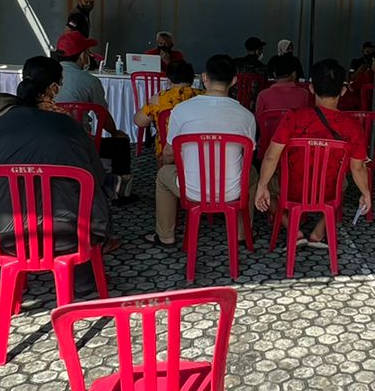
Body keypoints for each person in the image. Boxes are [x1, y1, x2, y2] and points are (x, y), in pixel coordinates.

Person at [0, 56, 113, 286]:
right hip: (72, 237)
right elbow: (97, 177)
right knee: (95, 192)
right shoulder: (68, 126)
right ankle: (82, 278)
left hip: (7, 240)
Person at [254, 58, 372, 248]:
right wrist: (366, 193)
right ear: (343, 90)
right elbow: (358, 168)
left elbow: (271, 156)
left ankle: (294, 230)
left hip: (290, 189)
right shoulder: (352, 126)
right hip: (328, 191)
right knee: (342, 185)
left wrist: (262, 185)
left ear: (311, 88)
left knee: (268, 192)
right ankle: (318, 232)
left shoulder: (293, 118)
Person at [147, 54, 256, 247]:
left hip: (191, 190)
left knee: (163, 175)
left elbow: (169, 154)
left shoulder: (181, 110)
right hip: (232, 191)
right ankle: (241, 232)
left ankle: (165, 236)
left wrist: (184, 166)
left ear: (204, 77)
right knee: (253, 173)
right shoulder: (246, 116)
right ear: (234, 81)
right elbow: (246, 156)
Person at [53, 30, 134, 199]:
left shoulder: (47, 77)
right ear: (83, 55)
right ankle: (121, 193)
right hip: (82, 143)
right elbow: (103, 116)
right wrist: (115, 133)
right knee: (121, 144)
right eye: (88, 52)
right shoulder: (90, 81)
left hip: (50, 141)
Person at [133, 59, 200, 160]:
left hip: (167, 154)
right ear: (192, 79)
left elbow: (140, 122)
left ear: (168, 80)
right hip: (199, 153)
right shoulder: (203, 96)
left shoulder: (160, 99)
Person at [254, 53, 313, 140]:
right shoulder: (304, 94)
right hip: (295, 143)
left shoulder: (263, 95)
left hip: (268, 143)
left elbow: (258, 121)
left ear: (274, 74)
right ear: (294, 74)